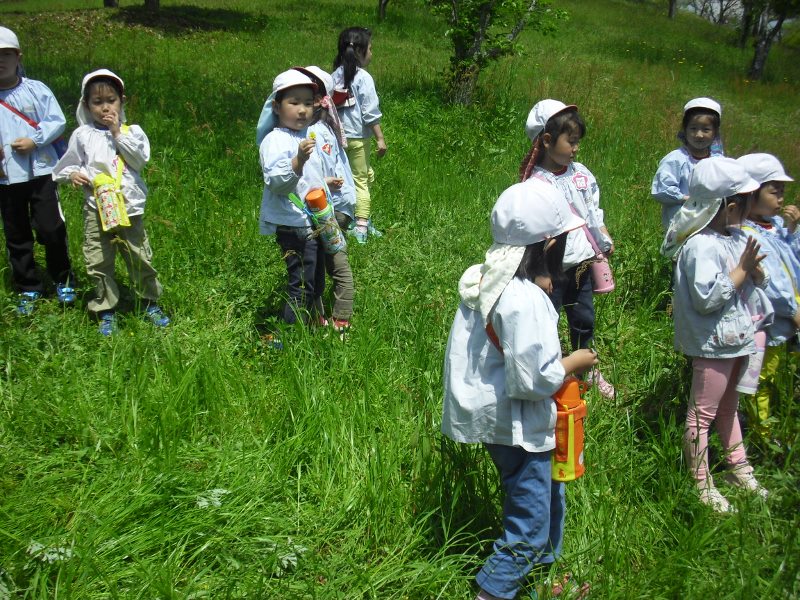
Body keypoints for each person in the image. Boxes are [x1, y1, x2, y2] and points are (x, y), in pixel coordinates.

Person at [442, 178, 598, 600]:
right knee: (528, 527)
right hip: (519, 427)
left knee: (549, 498)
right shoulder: (525, 300)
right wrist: (574, 363)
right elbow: (533, 380)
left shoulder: (484, 279)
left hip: (495, 418)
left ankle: (539, 582)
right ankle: (492, 590)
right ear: (547, 246)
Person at [661, 156, 770, 513]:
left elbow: (754, 280)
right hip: (713, 344)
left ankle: (739, 468)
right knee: (702, 415)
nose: (752, 209)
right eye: (748, 202)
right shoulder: (700, 246)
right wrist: (741, 271)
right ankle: (700, 482)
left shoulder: (733, 237)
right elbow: (708, 298)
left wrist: (753, 271)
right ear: (731, 205)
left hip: (736, 338)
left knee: (729, 408)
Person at [52, 69, 169, 335]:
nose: (105, 107)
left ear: (121, 101)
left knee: (138, 255)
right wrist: (73, 174)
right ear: (86, 105)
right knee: (98, 258)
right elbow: (64, 166)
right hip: (97, 208)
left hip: (129, 207)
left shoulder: (132, 132)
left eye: (111, 100)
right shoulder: (82, 135)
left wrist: (117, 132)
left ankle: (149, 301)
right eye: (97, 102)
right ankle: (105, 308)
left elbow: (139, 160)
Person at [519, 99, 616, 399]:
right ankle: (551, 370)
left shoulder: (580, 174)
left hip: (582, 263)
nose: (575, 148)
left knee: (583, 315)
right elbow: (532, 232)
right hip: (553, 267)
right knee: (549, 318)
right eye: (570, 142)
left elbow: (591, 207)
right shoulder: (536, 184)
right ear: (547, 141)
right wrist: (539, 271)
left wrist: (601, 232)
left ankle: (587, 365)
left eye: (577, 142)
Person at [0, 26, 74, 315]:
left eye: (6, 54)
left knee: (51, 228)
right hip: (6, 179)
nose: (1, 60)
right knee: (16, 235)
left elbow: (57, 120)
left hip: (41, 173)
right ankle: (28, 286)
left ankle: (63, 277)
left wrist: (35, 139)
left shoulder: (36, 89)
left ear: (18, 57)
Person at [255, 69, 326, 327]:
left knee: (316, 278)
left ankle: (311, 323)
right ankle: (288, 335)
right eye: (293, 102)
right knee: (302, 283)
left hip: (311, 221)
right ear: (276, 106)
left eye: (308, 103)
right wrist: (298, 160)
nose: (302, 110)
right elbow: (277, 182)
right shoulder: (275, 140)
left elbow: (310, 179)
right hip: (293, 224)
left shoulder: (304, 136)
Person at [737, 153, 799, 441]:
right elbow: (770, 286)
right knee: (763, 376)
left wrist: (792, 230)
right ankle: (762, 432)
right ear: (751, 193)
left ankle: (778, 417)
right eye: (774, 191)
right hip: (775, 321)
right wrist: (792, 310)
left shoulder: (772, 227)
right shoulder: (749, 234)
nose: (781, 198)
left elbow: (793, 262)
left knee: (783, 373)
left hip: (791, 317)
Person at [295, 65, 355, 338]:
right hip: (335, 205)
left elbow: (317, 173)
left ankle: (339, 319)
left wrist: (325, 185)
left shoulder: (314, 132)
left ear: (318, 99)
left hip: (326, 209)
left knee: (331, 263)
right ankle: (321, 317)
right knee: (324, 262)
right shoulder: (327, 127)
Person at [331, 26, 386, 244]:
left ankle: (350, 217)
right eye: (370, 49)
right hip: (358, 138)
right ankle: (361, 226)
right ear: (360, 52)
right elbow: (370, 111)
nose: (372, 53)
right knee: (362, 180)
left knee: (348, 177)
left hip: (337, 137)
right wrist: (380, 137)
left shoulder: (335, 75)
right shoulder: (363, 78)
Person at [652, 97, 724, 231]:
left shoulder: (718, 161)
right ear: (685, 130)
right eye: (693, 128)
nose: (699, 135)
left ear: (715, 132)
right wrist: (688, 199)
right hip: (682, 224)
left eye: (706, 129)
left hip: (713, 223)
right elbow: (662, 190)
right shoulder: (676, 159)